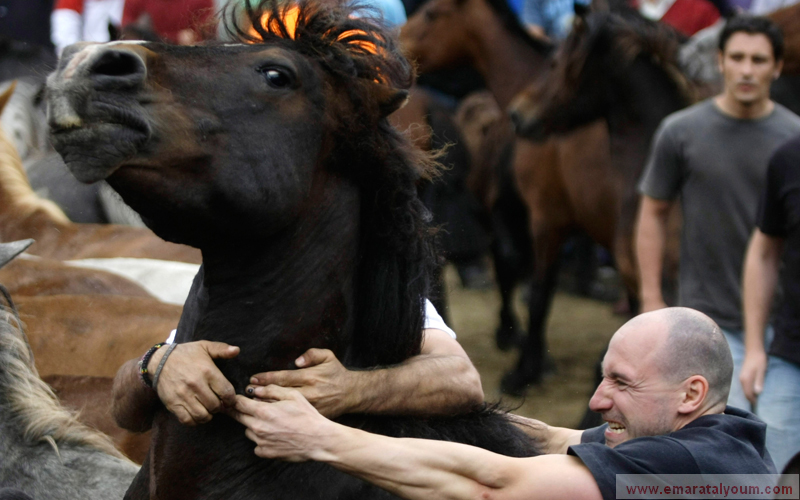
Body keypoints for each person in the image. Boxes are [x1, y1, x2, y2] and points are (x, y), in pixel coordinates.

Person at [227, 307, 775, 500]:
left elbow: (491, 487)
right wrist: (388, 403)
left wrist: (320, 438)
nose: (595, 399)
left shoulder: (689, 468)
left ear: (692, 394)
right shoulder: (730, 444)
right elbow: (554, 438)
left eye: (621, 384)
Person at [635, 15, 800, 411]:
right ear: (720, 61)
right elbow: (653, 212)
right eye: (737, 57)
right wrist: (651, 296)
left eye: (759, 60)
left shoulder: (794, 139)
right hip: (705, 319)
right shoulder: (680, 132)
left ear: (777, 67)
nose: (746, 70)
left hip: (783, 325)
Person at [112, 299, 484, 429]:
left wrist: (353, 390)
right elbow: (124, 413)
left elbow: (463, 381)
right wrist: (156, 363)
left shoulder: (375, 290)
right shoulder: (231, 295)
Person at [740, 132, 800, 471]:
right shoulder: (788, 159)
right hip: (791, 357)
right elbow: (763, 252)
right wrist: (753, 348)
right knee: (779, 484)